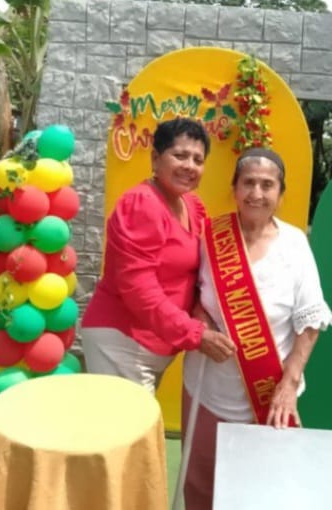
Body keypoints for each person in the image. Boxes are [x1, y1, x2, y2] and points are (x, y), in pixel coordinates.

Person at [182, 147, 332, 509]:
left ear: (280, 194)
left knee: (262, 487)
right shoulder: (210, 236)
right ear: (234, 189)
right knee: (200, 481)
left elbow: (310, 321)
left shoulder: (295, 244)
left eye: (267, 185)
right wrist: (200, 320)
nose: (256, 193)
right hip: (207, 388)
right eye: (248, 183)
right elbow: (190, 292)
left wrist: (289, 384)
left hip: (270, 394)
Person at [80, 118, 235, 392]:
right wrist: (194, 333)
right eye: (180, 156)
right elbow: (139, 288)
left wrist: (201, 309)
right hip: (122, 342)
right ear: (155, 158)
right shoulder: (142, 203)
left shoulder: (192, 204)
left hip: (154, 344)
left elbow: (202, 269)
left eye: (198, 160)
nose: (190, 166)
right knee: (130, 421)